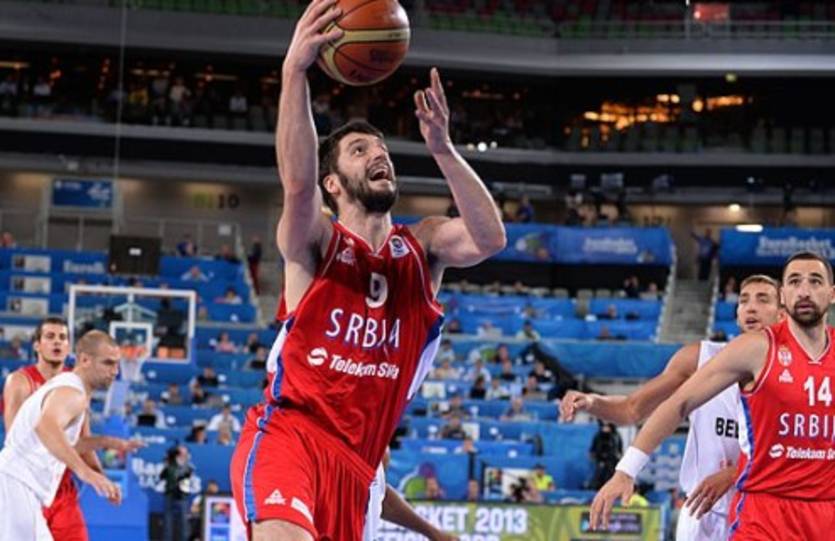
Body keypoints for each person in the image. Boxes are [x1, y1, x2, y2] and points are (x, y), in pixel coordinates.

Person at [229, 1, 506, 539]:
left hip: (359, 468)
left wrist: (444, 150)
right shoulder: (317, 242)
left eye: (381, 149)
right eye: (359, 150)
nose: (378, 155)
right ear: (333, 184)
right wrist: (294, 73)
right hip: (291, 433)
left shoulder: (422, 247)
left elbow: (490, 238)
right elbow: (298, 185)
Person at [589, 252, 835, 539]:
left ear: (831, 293)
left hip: (825, 513)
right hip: (764, 512)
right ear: (784, 295)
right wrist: (626, 470)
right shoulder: (755, 348)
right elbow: (679, 403)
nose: (804, 291)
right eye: (794, 281)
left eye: (815, 281)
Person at [563, 274, 782, 541]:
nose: (751, 307)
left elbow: (804, 456)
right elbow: (632, 409)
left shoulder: (800, 375)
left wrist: (736, 474)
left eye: (763, 299)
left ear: (782, 314)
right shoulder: (700, 358)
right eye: (744, 300)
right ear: (736, 315)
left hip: (763, 512)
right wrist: (593, 402)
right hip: (703, 515)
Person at [2, 319, 141, 541]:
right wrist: (85, 473)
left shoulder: (69, 386)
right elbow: (46, 427)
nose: (115, 371)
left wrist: (107, 445)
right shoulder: (72, 392)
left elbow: (65, 443)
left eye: (117, 364)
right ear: (84, 360)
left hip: (23, 485)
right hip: (16, 483)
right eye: (108, 363)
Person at [161, 444, 195, 541]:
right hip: (170, 495)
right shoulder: (169, 464)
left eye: (185, 452)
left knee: (184, 523)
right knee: (168, 522)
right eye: (180, 452)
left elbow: (187, 478)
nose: (182, 454)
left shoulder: (189, 466)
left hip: (182, 497)